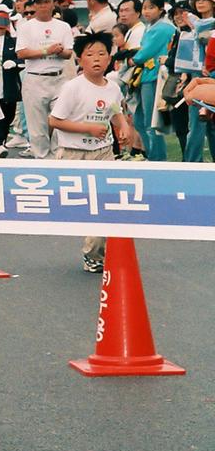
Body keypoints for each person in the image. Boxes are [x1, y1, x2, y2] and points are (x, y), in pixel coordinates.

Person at [49, 32, 132, 273]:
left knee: (106, 204)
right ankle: (94, 249)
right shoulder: (73, 88)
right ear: (79, 59)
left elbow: (115, 109)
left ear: (109, 59)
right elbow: (54, 120)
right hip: (73, 154)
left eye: (101, 54)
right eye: (90, 54)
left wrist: (123, 125)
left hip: (103, 152)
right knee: (83, 209)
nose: (96, 59)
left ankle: (95, 254)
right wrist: (87, 128)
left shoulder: (113, 88)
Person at [15, 0, 75, 159]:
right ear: (34, 5)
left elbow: (68, 53)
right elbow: (21, 52)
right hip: (35, 79)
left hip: (58, 77)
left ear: (54, 4)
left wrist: (59, 51)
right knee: (37, 128)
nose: (43, 6)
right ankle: (41, 158)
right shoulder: (26, 27)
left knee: (60, 121)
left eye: (47, 1)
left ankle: (59, 158)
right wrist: (46, 51)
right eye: (39, 2)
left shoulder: (62, 27)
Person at [130, 0, 177, 161]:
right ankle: (152, 155)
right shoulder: (153, 26)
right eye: (144, 8)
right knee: (139, 119)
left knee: (151, 122)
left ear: (161, 9)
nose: (146, 11)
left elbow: (144, 53)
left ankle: (157, 159)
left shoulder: (162, 27)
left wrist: (130, 60)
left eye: (151, 7)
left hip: (155, 76)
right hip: (147, 75)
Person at [0, 10, 23, 155]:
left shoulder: (13, 42)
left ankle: (0, 142)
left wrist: (14, 63)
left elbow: (22, 58)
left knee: (8, 115)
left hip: (7, 85)